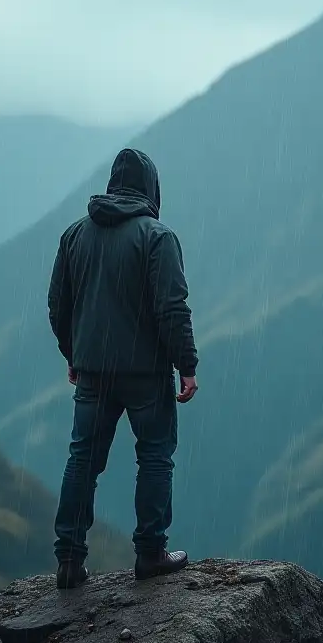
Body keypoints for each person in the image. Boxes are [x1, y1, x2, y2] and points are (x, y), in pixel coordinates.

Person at [48, 146, 199, 588]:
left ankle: (69, 562)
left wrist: (73, 352)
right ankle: (150, 553)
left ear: (113, 184)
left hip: (93, 371)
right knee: (154, 456)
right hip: (146, 374)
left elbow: (59, 305)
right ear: (151, 189)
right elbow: (173, 307)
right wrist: (186, 364)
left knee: (83, 460)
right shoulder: (157, 237)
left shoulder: (75, 236)